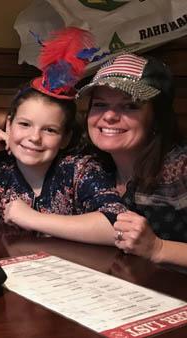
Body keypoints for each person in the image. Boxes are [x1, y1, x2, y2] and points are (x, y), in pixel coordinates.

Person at [0, 27, 126, 244]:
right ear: (9, 125)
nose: (35, 137)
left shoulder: (80, 170)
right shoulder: (2, 173)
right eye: (25, 124)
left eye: (49, 130)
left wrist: (32, 218)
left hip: (78, 272)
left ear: (66, 138)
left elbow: (117, 227)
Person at [77, 53, 187, 267]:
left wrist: (158, 248)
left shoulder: (180, 168)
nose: (109, 116)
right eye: (99, 104)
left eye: (130, 106)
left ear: (157, 117)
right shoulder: (91, 165)